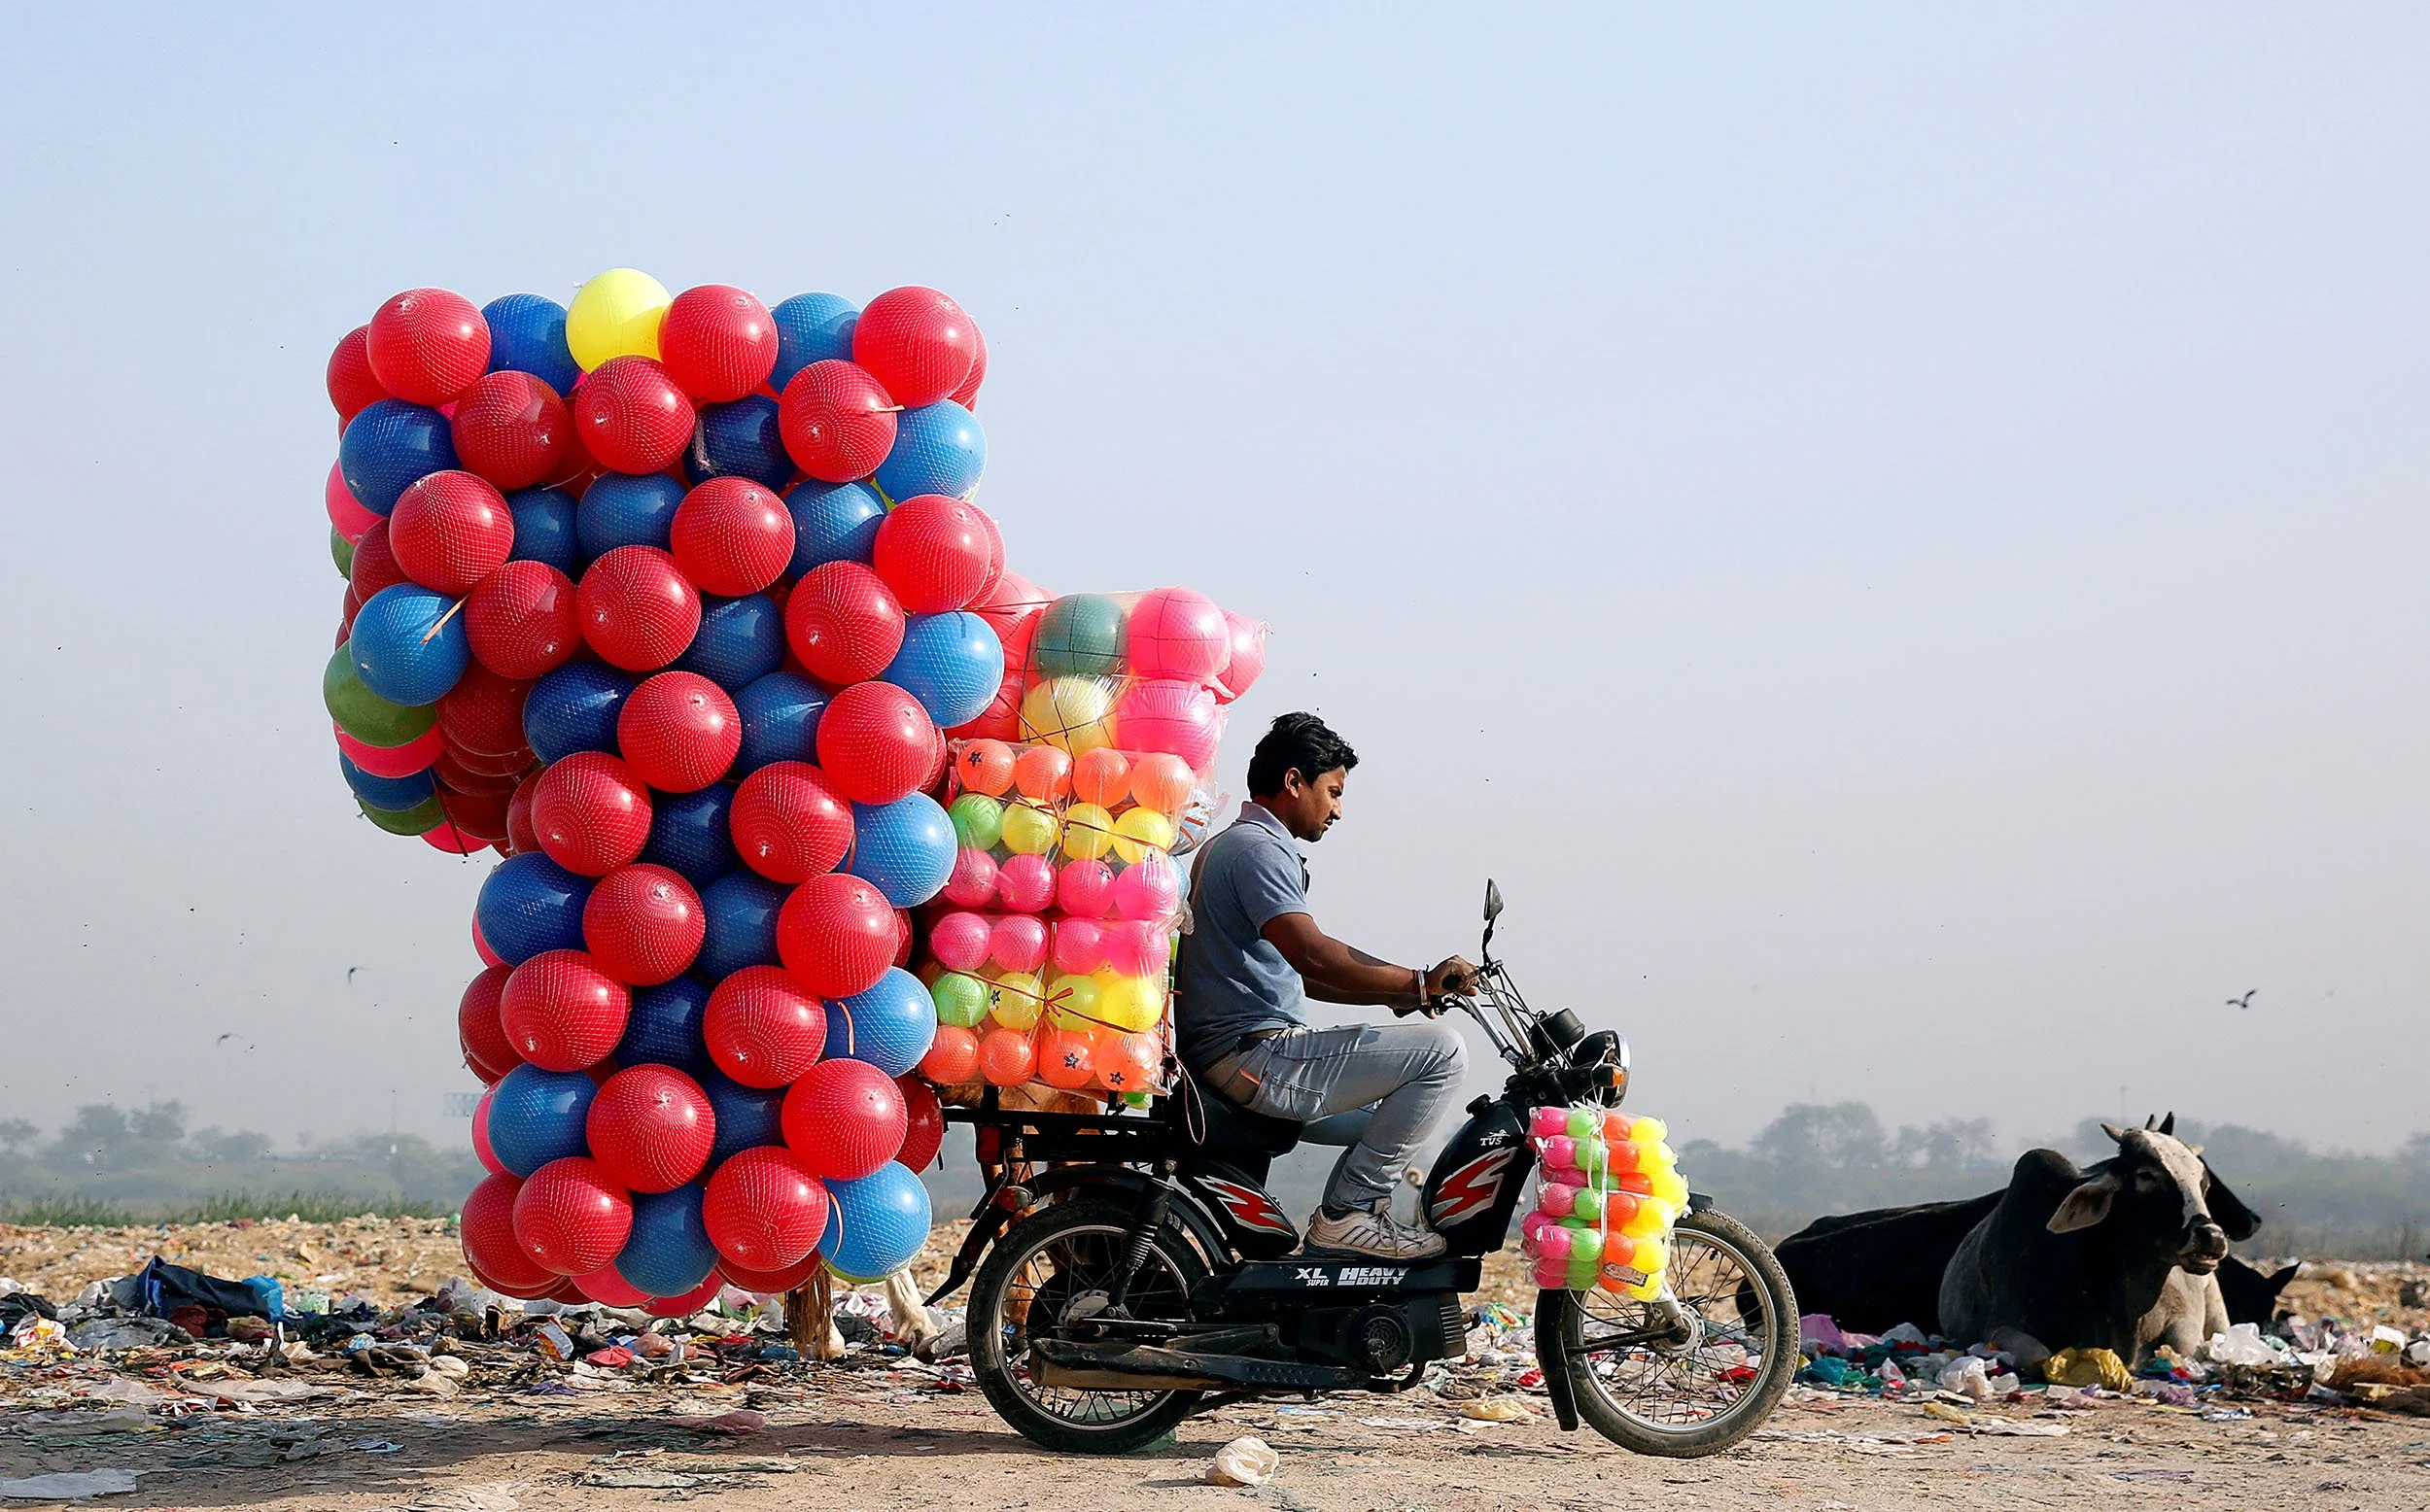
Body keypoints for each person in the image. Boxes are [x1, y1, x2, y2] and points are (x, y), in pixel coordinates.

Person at [1179, 712, 1477, 1260]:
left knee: (1402, 1122)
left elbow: (1309, 977)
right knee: (1444, 1056)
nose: (1339, 810)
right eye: (1334, 792)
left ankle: (1351, 1240)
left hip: (1243, 1054)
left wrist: (1407, 994)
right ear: (1294, 782)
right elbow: (1312, 953)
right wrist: (1416, 980)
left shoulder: (1238, 846)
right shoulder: (1256, 850)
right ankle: (1348, 1216)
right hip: (1254, 1057)